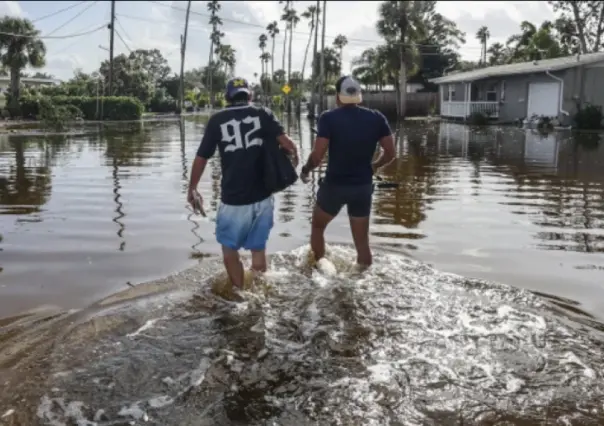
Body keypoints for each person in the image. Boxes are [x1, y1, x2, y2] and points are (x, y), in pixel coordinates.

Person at [187, 77, 298, 288]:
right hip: (263, 196)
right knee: (258, 250)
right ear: (250, 95)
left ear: (227, 97)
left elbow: (202, 158)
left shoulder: (217, 120)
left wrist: (192, 188)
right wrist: (296, 159)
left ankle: (240, 294)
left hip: (234, 199)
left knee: (229, 251)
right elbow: (289, 145)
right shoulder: (262, 113)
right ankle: (259, 289)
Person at [300, 75, 396, 268]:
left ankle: (320, 270)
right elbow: (391, 153)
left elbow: (317, 156)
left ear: (338, 96)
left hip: (335, 186)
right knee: (362, 244)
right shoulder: (377, 118)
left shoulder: (328, 118)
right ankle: (363, 278)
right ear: (359, 95)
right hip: (362, 187)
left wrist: (305, 170)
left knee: (318, 227)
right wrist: (374, 167)